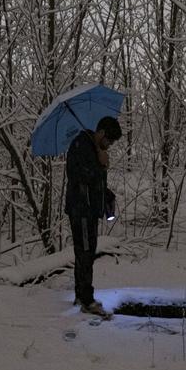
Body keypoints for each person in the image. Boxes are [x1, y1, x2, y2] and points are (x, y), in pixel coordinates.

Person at [65, 116, 122, 318]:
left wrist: (106, 195)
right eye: (109, 141)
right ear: (101, 133)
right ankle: (87, 301)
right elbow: (80, 175)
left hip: (89, 210)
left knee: (86, 252)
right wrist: (101, 164)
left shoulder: (95, 148)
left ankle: (82, 296)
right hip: (81, 210)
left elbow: (95, 182)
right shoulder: (80, 145)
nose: (110, 146)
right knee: (85, 253)